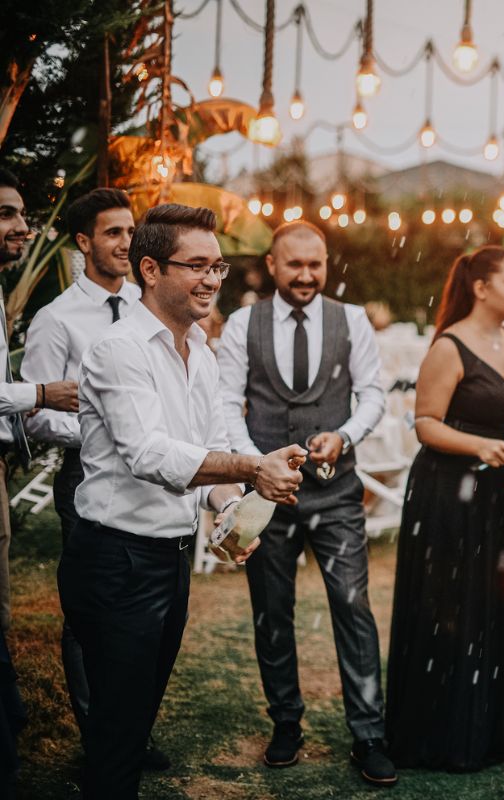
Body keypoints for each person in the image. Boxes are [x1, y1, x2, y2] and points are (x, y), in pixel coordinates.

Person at [56, 203, 304, 799]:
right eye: (197, 266)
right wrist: (252, 466)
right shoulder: (119, 350)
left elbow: (212, 446)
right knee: (115, 739)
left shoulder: (202, 350)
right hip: (115, 562)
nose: (214, 279)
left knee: (136, 725)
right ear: (149, 268)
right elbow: (149, 454)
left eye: (218, 266)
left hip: (168, 562)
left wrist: (231, 510)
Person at [216, 220, 395, 786]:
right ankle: (286, 723)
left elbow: (373, 394)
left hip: (337, 492)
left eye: (315, 264)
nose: (307, 275)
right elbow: (225, 404)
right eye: (294, 265)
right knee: (272, 613)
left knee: (352, 606)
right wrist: (256, 466)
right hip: (267, 499)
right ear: (272, 265)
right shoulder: (244, 324)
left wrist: (344, 436)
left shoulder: (354, 320)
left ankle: (368, 734)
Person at [385, 246, 504, 771]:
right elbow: (426, 423)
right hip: (452, 495)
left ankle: (499, 726)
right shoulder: (449, 346)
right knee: (457, 607)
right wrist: (479, 446)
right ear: (480, 288)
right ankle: (449, 729)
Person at [21, 187, 169, 767]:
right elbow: (34, 414)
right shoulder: (55, 319)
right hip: (87, 474)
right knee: (93, 609)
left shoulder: (146, 305)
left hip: (154, 470)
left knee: (150, 611)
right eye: (113, 233)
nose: (127, 243)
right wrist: (108, 433)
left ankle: (131, 729)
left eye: (131, 232)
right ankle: (97, 735)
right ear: (83, 242)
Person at [0, 169, 79, 632]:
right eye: (5, 214)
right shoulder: (58, 317)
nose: (22, 227)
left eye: (22, 215)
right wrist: (41, 394)